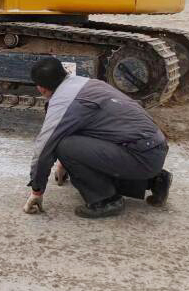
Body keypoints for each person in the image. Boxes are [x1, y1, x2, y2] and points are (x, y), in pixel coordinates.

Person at [26, 57, 172, 219]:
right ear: (64, 71)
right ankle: (154, 181)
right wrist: (63, 164)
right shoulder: (85, 83)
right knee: (71, 147)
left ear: (41, 89)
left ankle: (106, 199)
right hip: (153, 149)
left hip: (142, 156)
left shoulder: (63, 102)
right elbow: (91, 129)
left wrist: (37, 190)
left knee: (63, 146)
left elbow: (44, 149)